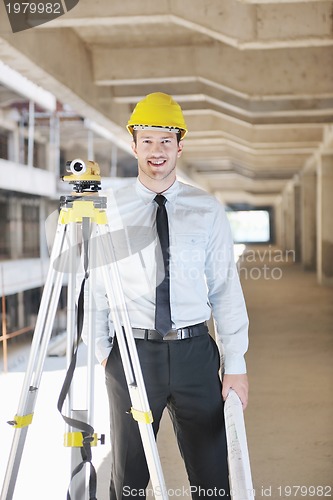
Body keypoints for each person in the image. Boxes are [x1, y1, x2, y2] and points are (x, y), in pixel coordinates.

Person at [85, 92, 249, 499]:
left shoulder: (206, 209)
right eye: (147, 141)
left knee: (213, 478)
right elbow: (96, 284)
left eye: (165, 141)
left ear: (180, 145)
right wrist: (104, 352)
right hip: (132, 352)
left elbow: (225, 287)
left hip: (195, 352)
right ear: (134, 144)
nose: (156, 151)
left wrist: (236, 363)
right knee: (129, 481)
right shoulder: (111, 210)